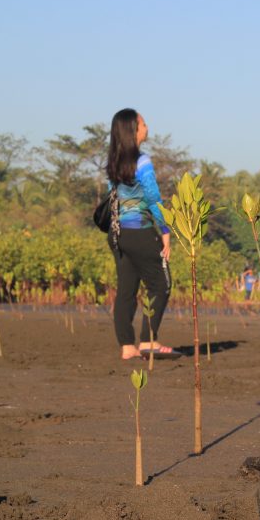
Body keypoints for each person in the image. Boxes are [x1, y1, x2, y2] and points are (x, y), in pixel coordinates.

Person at [105, 108, 178, 360]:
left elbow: (112, 200)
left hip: (118, 236)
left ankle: (127, 347)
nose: (147, 127)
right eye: (143, 123)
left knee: (126, 289)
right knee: (162, 283)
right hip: (142, 232)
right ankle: (148, 341)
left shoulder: (113, 163)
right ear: (133, 130)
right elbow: (153, 198)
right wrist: (165, 231)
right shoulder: (143, 162)